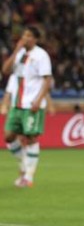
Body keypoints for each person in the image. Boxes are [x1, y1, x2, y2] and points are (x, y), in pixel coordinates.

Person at [2, 26, 52, 187]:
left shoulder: (41, 55)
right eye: (24, 35)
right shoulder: (20, 54)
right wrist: (16, 50)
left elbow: (47, 80)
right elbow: (5, 70)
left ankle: (28, 177)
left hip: (31, 103)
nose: (25, 38)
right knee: (9, 136)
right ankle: (24, 165)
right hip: (17, 104)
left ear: (35, 39)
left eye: (29, 36)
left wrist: (39, 100)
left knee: (30, 138)